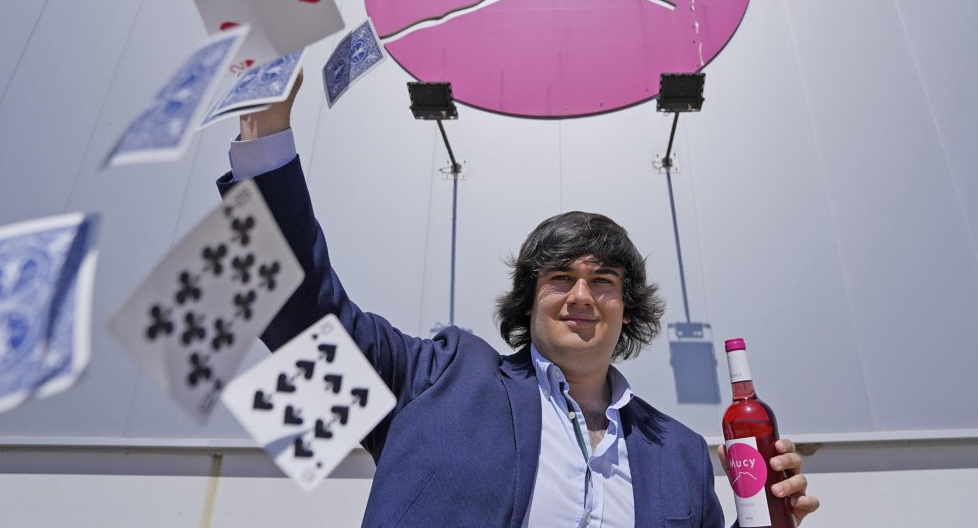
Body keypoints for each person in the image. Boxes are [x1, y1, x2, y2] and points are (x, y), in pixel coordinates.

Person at [219, 75, 820, 527]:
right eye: (559, 278)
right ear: (528, 302)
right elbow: (299, 315)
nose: (581, 295)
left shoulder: (684, 456)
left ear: (627, 310)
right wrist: (263, 133)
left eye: (603, 281)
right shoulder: (435, 380)